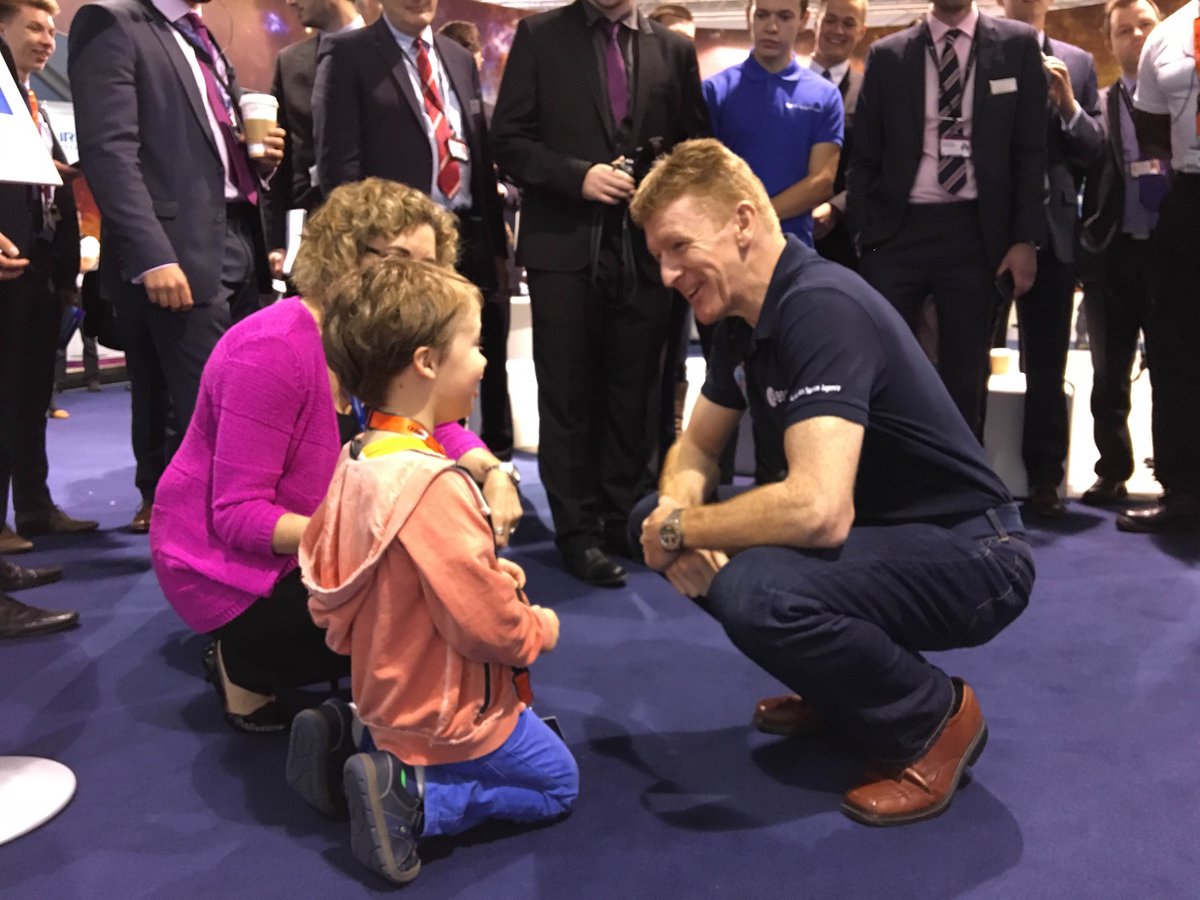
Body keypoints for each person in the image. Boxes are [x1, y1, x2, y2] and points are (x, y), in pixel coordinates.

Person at [630, 139, 1033, 826]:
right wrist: (672, 509)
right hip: (885, 538)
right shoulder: (737, 319)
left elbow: (819, 512)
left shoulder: (820, 305)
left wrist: (680, 529)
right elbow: (697, 444)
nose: (667, 274)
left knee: (756, 591)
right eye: (658, 257)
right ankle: (845, 686)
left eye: (677, 248)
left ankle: (934, 720)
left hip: (976, 556)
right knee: (654, 511)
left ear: (743, 222)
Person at [150, 179, 522, 734]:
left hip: (328, 545)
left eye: (428, 266)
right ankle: (242, 662)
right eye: (397, 259)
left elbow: (437, 425)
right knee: (442, 599)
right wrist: (381, 542)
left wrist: (493, 473)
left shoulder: (375, 335)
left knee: (477, 588)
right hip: (235, 572)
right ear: (344, 252)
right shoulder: (270, 351)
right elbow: (237, 516)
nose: (414, 281)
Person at [294, 258, 577, 885]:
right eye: (474, 345)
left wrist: (480, 574)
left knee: (399, 732)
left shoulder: (359, 456)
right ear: (426, 362)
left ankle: (351, 735)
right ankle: (416, 799)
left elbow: (337, 570)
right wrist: (539, 628)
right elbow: (486, 629)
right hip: (442, 711)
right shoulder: (434, 484)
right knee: (558, 783)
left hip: (381, 690)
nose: (482, 361)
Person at [491, 0, 710, 587]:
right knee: (567, 394)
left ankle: (623, 519)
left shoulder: (673, 49)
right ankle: (577, 532)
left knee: (634, 394)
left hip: (644, 249)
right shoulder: (540, 36)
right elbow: (507, 141)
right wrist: (578, 176)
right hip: (564, 248)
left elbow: (695, 149)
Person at [69, 0, 286, 534]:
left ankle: (239, 528)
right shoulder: (112, 21)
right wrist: (153, 254)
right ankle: (212, 541)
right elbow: (109, 151)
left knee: (240, 394)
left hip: (238, 234)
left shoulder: (200, 37)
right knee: (203, 408)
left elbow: (206, 148)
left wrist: (257, 158)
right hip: (177, 248)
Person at [313, 0, 514, 462]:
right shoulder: (348, 55)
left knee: (462, 361)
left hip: (464, 238)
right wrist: (355, 259)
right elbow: (339, 169)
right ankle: (399, 469)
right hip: (394, 250)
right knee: (402, 365)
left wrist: (495, 248)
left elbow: (476, 154)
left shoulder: (457, 57)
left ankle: (467, 464)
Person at [848, 0, 1047, 439]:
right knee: (883, 369)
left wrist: (1023, 239)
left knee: (964, 377)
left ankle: (959, 495)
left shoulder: (1017, 45)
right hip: (897, 232)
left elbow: (1032, 151)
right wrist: (865, 231)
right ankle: (887, 488)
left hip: (975, 232)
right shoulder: (889, 54)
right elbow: (864, 154)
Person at [995, 0, 1103, 518]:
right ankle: (971, 475)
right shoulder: (983, 55)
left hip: (1055, 234)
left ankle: (1044, 478)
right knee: (969, 358)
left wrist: (1067, 106)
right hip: (988, 230)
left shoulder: (1078, 64)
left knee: (1047, 365)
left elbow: (1094, 149)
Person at [0, 0, 96, 546]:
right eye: (34, 27)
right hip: (10, 265)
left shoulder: (31, 101)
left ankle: (34, 506)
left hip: (42, 268)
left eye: (52, 31)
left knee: (34, 394)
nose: (47, 40)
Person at [1076, 0, 1162, 509]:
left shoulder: (1183, 103)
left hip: (1170, 254)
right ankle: (1112, 471)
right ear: (1110, 42)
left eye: (1146, 26)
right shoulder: (1099, 107)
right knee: (1109, 373)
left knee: (1176, 370)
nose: (1136, 36)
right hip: (1111, 256)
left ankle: (1177, 474)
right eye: (1124, 30)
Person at [1121, 0, 1200, 532]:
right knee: (1175, 350)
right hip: (1189, 199)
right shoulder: (1165, 36)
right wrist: (1156, 191)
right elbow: (1149, 135)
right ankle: (1184, 492)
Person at [705, 0, 842, 249]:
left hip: (792, 246)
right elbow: (705, 176)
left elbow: (822, 182)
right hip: (729, 243)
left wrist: (757, 218)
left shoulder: (824, 95)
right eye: (762, 15)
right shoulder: (715, 91)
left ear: (803, 20)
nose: (772, 27)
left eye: (785, 17)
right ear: (749, 16)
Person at [263, 0, 364, 280]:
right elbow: (281, 162)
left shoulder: (388, 54)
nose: (290, 2)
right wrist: (275, 241)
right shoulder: (291, 63)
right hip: (310, 240)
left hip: (378, 238)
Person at [809, 0, 869, 270]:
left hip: (844, 242)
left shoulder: (871, 92)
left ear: (861, 32)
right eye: (830, 20)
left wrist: (836, 208)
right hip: (782, 230)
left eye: (849, 23)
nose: (838, 30)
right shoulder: (783, 83)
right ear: (814, 21)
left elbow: (875, 163)